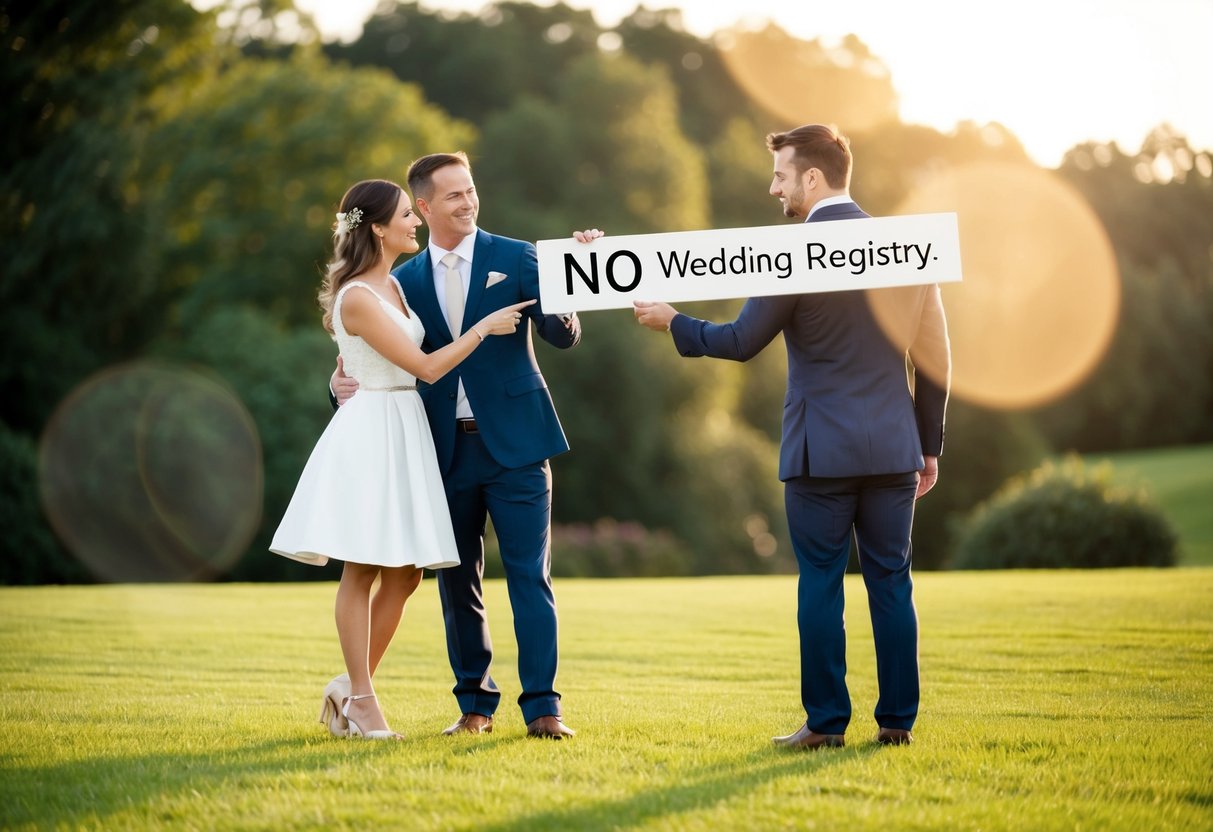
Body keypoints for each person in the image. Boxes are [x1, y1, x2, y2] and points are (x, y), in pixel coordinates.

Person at [634, 124, 951, 748]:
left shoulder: (791, 256)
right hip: (892, 447)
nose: (772, 186)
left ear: (813, 177)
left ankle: (826, 725)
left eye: (781, 174)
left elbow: (739, 342)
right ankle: (897, 725)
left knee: (821, 585)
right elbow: (937, 356)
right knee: (892, 583)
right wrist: (930, 443)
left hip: (818, 453)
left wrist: (673, 320)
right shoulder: (910, 248)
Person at [332, 154, 595, 739]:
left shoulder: (519, 255)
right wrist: (338, 381)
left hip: (520, 445)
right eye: (453, 196)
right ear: (423, 208)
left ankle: (543, 709)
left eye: (471, 190)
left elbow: (562, 335)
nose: (468, 202)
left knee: (531, 577)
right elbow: (367, 353)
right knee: (457, 586)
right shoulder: (402, 281)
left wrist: (569, 276)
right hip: (441, 450)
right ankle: (475, 706)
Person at [271, 178, 534, 740]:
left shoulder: (392, 284)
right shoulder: (360, 297)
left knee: (407, 574)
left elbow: (368, 360)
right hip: (374, 432)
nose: (415, 222)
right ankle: (363, 700)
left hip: (404, 428)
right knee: (362, 567)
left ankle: (348, 684)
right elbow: (427, 368)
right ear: (377, 228)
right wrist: (483, 328)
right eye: (404, 217)